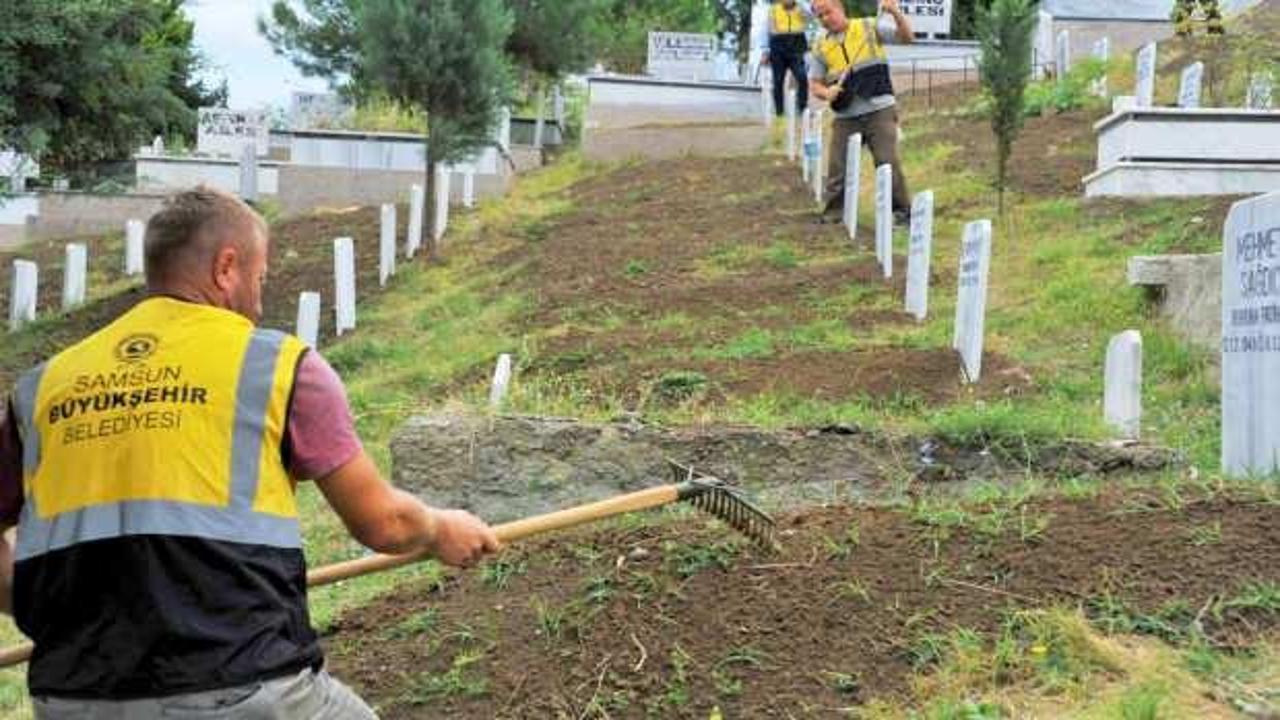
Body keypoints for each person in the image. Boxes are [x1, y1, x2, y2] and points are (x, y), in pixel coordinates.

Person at [0, 187, 501, 719]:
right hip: (240, 687)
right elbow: (384, 524)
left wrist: (45, 608)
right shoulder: (275, 366)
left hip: (73, 698)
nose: (259, 302)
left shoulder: (44, 385)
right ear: (226, 267)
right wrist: (441, 529)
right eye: (260, 280)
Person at [808, 0, 914, 224]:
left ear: (840, 8)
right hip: (845, 115)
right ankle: (834, 213)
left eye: (829, 12)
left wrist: (894, 12)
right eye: (820, 16)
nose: (826, 18)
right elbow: (815, 85)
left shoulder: (868, 26)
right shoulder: (820, 45)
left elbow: (907, 38)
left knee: (887, 161)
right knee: (837, 166)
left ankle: (903, 213)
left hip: (879, 109)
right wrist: (827, 93)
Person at [761, 0, 813, 119]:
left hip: (797, 44)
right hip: (778, 44)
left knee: (802, 77)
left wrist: (800, 2)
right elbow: (765, 30)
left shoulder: (801, 7)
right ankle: (779, 113)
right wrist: (765, 50)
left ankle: (802, 108)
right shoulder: (773, 10)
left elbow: (812, 15)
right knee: (778, 81)